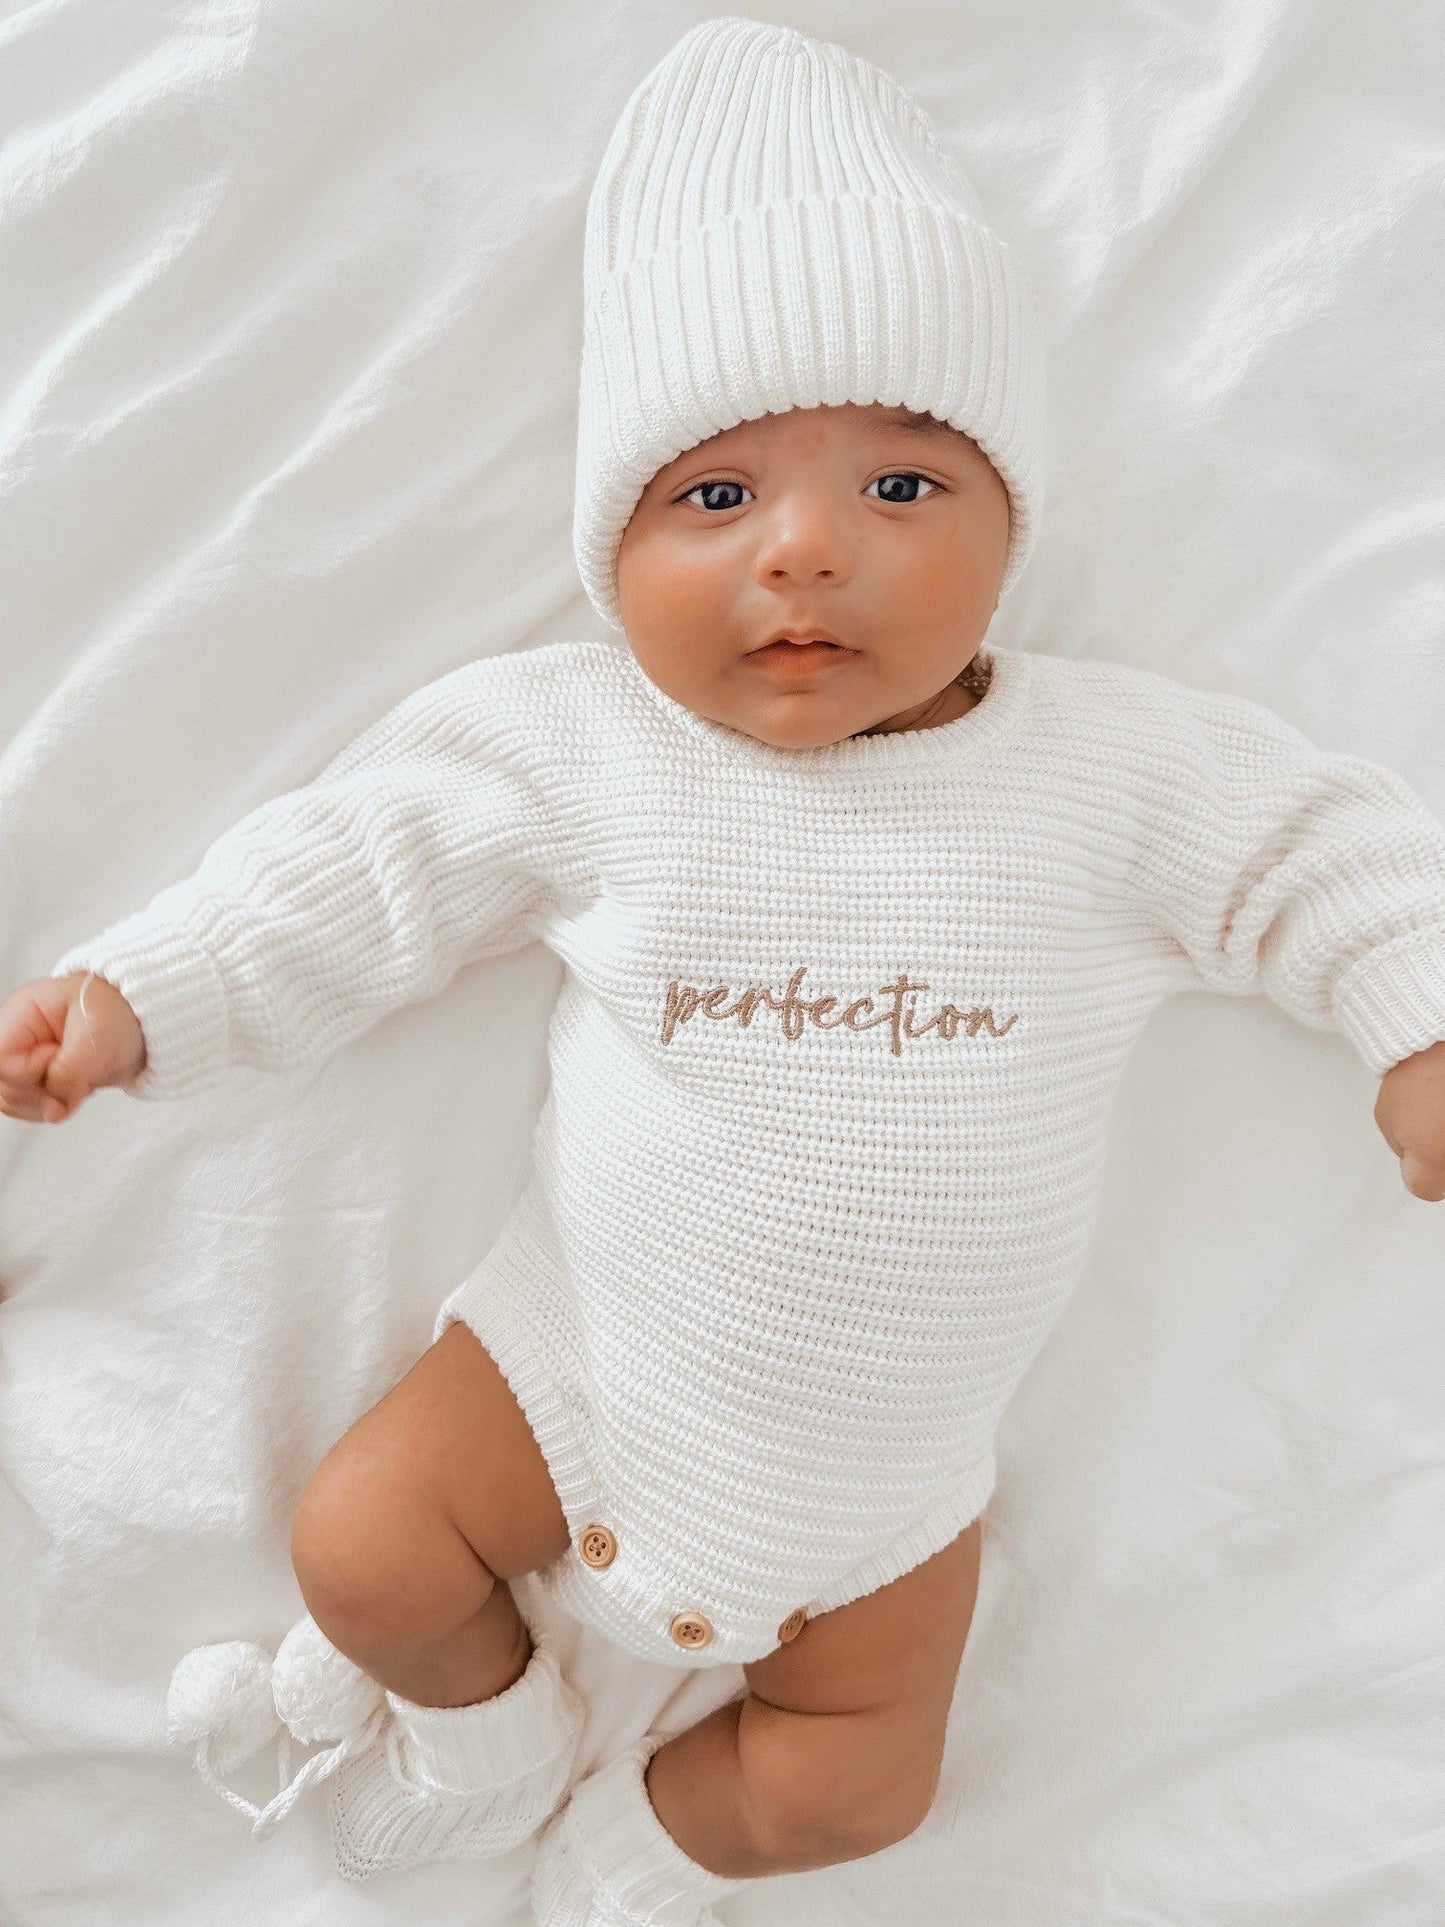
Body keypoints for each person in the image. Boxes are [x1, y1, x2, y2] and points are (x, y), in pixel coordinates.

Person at [4, 17, 1445, 1924]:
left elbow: (1322, 850)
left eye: (902, 489)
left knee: (852, 1793)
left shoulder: (1116, 772)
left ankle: (646, 1840)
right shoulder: (586, 743)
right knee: (363, 1553)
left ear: (1013, 526)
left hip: (888, 1497)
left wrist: (1414, 1021)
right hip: (565, 1369)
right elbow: (355, 867)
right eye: (713, 499)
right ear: (610, 546)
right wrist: (139, 999)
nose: (805, 555)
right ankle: (480, 1734)